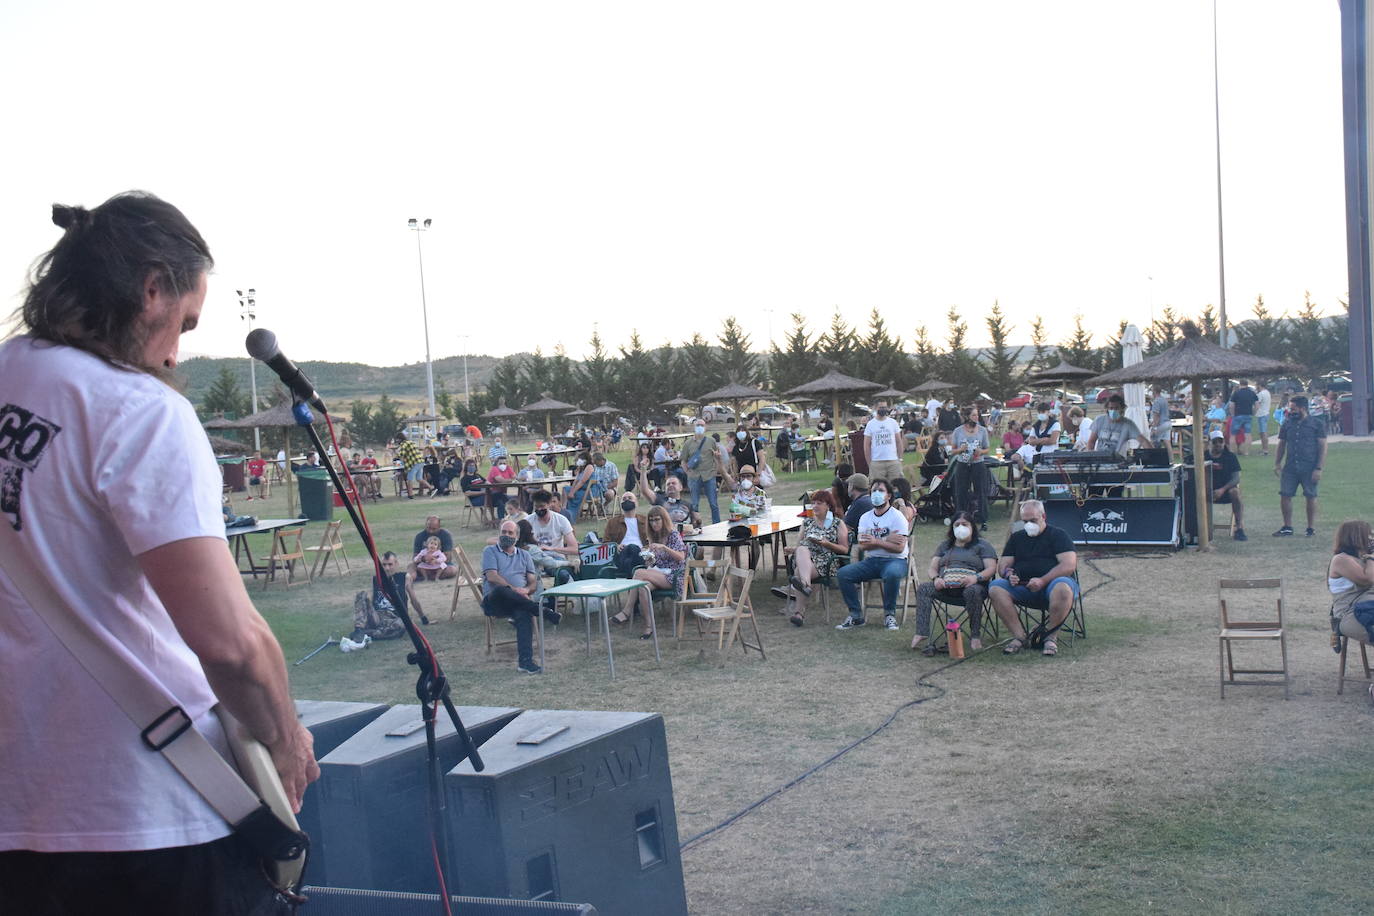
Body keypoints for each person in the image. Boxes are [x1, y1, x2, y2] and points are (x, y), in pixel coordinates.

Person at [0, 191, 317, 912]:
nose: (175, 352)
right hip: (148, 820)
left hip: (16, 815)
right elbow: (230, 643)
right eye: (184, 323)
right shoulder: (137, 411)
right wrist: (286, 740)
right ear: (152, 288)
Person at [989, 499, 1079, 657]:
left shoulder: (1058, 535)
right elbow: (1003, 566)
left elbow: (1068, 565)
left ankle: (1050, 637)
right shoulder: (1017, 538)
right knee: (996, 587)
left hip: (1053, 585)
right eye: (1025, 521)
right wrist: (1009, 575)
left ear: (1043, 516)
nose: (1029, 524)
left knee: (1063, 588)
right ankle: (1020, 636)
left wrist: (1043, 580)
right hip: (1023, 587)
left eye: (1033, 520)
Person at [911, 511, 997, 654]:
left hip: (973, 586)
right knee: (924, 589)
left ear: (972, 527)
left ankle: (975, 635)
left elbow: (991, 569)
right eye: (957, 524)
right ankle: (921, 632)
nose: (960, 527)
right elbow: (932, 568)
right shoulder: (945, 546)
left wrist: (976, 578)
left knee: (972, 592)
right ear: (952, 528)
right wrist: (936, 578)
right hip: (946, 586)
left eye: (965, 524)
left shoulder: (982, 545)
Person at [481, 520, 557, 674]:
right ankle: (542, 611)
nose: (506, 535)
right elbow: (492, 577)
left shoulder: (525, 555)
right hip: (495, 602)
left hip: (518, 603)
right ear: (499, 533)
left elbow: (532, 583)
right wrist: (515, 590)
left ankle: (525, 662)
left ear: (517, 536)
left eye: (510, 533)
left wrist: (527, 590)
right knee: (501, 590)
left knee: (524, 614)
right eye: (504, 532)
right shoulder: (490, 551)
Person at [836, 478, 910, 631]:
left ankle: (889, 614)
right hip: (873, 560)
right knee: (844, 574)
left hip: (895, 560)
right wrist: (885, 539)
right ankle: (856, 615)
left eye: (881, 490)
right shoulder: (865, 517)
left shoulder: (897, 517)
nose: (877, 494)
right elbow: (863, 545)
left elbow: (899, 548)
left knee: (892, 573)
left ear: (889, 495)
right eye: (874, 491)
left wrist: (875, 541)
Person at [776, 489, 849, 627]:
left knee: (798, 573)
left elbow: (845, 549)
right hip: (806, 559)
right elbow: (799, 547)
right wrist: (791, 550)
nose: (815, 506)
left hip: (827, 561)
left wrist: (826, 543)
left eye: (819, 503)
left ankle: (800, 608)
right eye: (813, 503)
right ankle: (805, 589)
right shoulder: (807, 523)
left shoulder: (837, 523)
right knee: (803, 550)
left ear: (828, 505)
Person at [617, 505, 688, 639]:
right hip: (659, 573)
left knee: (638, 574)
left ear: (664, 520)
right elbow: (653, 563)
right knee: (643, 587)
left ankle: (627, 610)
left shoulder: (673, 534)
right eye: (651, 520)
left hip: (674, 576)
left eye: (657, 520)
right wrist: (648, 558)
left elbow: (681, 557)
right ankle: (649, 627)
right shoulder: (653, 537)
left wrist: (664, 548)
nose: (654, 523)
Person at [1273, 395, 1328, 538]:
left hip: (1309, 466)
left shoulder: (1316, 424)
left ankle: (1310, 528)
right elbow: (1281, 444)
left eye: (1293, 409)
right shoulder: (1287, 423)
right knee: (1285, 495)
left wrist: (1319, 468)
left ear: (1303, 408)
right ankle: (1287, 527)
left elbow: (1322, 446)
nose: (1290, 411)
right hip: (1290, 466)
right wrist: (1277, 462)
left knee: (1310, 496)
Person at [1328, 521, 1374, 660]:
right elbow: (1367, 579)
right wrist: (1371, 556)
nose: (1371, 538)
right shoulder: (1341, 559)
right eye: (1369, 534)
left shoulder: (1362, 559)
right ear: (1357, 537)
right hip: (1351, 615)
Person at [529, 489, 579, 610]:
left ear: (549, 504)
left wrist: (552, 548)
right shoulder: (528, 521)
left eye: (542, 506)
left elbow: (575, 549)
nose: (539, 509)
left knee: (561, 572)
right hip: (535, 559)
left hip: (555, 558)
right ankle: (543, 601)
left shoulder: (561, 520)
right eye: (536, 506)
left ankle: (551, 599)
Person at [348, 551, 408, 644]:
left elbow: (414, 599)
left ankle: (366, 634)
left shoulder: (404, 577)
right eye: (384, 565)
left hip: (394, 617)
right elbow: (372, 600)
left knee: (401, 625)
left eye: (390, 564)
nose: (387, 568)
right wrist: (368, 614)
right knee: (361, 595)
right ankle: (359, 630)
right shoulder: (376, 579)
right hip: (378, 616)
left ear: (396, 564)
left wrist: (423, 618)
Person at [948, 407, 991, 528]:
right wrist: (960, 450)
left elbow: (987, 448)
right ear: (967, 417)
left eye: (977, 415)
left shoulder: (982, 430)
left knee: (981, 492)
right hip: (963, 464)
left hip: (978, 464)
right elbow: (953, 451)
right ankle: (961, 519)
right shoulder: (958, 431)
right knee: (961, 492)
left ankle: (983, 520)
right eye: (973, 415)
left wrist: (981, 451)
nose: (976, 418)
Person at [683, 420, 729, 524]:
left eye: (702, 425)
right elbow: (683, 460)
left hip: (709, 476)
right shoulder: (688, 443)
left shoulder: (711, 441)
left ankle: (717, 524)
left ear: (706, 427)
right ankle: (695, 525)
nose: (700, 427)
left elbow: (717, 456)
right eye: (698, 425)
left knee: (713, 503)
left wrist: (716, 468)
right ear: (694, 427)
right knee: (694, 504)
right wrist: (687, 472)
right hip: (694, 476)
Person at [1206, 430, 1247, 540]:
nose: (1218, 444)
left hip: (1225, 492)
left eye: (1221, 441)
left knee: (1235, 492)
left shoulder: (1230, 457)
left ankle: (1239, 528)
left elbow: (1236, 478)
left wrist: (1222, 490)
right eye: (1215, 442)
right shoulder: (1202, 457)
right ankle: (1196, 528)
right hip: (1205, 492)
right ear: (1209, 442)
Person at [407, 516, 456, 592]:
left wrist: (435, 560)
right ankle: (417, 578)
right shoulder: (419, 536)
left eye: (434, 529)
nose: (430, 531)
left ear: (439, 527)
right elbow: (415, 557)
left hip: (439, 565)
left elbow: (448, 557)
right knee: (410, 567)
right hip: (423, 565)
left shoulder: (446, 535)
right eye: (428, 528)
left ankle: (426, 577)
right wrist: (424, 559)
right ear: (425, 525)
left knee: (452, 570)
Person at [864, 403, 904, 483]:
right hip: (877, 462)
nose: (883, 409)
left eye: (885, 407)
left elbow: (899, 441)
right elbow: (866, 445)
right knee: (878, 487)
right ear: (876, 408)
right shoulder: (871, 424)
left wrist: (899, 458)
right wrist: (870, 463)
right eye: (881, 407)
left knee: (896, 486)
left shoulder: (893, 422)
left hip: (893, 461)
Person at [1229, 379, 1259, 456]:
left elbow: (1231, 405)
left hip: (1238, 415)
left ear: (1240, 384)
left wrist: (1232, 414)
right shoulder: (1252, 393)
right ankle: (1246, 452)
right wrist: (1254, 412)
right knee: (1247, 434)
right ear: (1247, 384)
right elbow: (1257, 404)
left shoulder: (1236, 393)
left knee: (1233, 435)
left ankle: (1232, 452)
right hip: (1248, 415)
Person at [563, 452, 595, 521]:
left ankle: (572, 515)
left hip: (589, 491)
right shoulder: (581, 468)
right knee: (565, 489)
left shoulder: (589, 467)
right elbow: (576, 481)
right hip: (580, 489)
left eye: (580, 459)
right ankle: (564, 508)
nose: (578, 461)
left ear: (585, 460)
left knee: (574, 494)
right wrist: (571, 491)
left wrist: (573, 492)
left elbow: (582, 481)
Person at [395, 431, 426, 498]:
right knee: (419, 478)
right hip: (420, 461)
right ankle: (431, 488)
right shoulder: (411, 442)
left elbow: (401, 454)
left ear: (400, 439)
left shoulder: (403, 444)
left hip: (414, 462)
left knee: (409, 479)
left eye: (397, 439)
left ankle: (410, 495)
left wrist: (397, 453)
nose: (396, 441)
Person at [1150, 385, 1172, 449]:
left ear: (1154, 392)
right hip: (1168, 423)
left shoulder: (1156, 401)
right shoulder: (1164, 400)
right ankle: (1171, 459)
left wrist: (1154, 428)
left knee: (1152, 438)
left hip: (1161, 424)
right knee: (1167, 442)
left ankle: (1154, 456)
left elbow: (1156, 416)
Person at [1255, 381, 1273, 456]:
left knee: (1263, 432)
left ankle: (1265, 450)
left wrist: (1253, 412)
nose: (1256, 387)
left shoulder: (1261, 394)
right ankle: (1264, 449)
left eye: (1256, 385)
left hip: (1261, 414)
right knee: (1263, 432)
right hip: (1266, 413)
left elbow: (1257, 404)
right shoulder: (1267, 392)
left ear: (1259, 385)